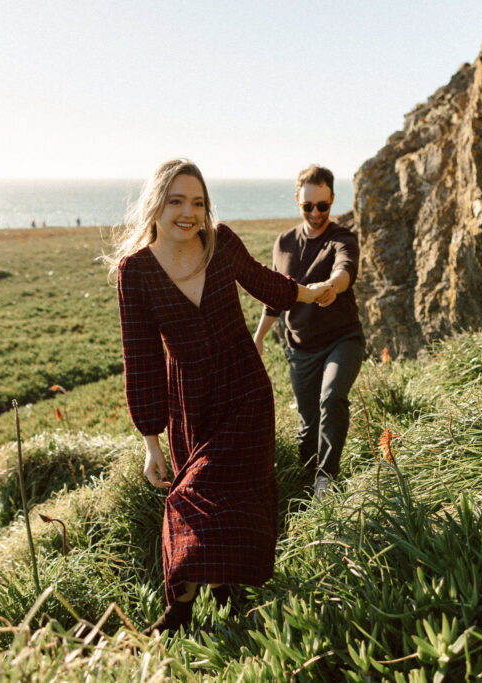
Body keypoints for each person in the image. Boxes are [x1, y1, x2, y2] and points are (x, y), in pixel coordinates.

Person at [111, 159, 330, 634]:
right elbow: (142, 359)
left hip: (244, 391)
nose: (188, 213)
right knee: (210, 497)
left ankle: (178, 611)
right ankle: (225, 598)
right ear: (155, 205)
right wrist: (151, 440)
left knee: (196, 499)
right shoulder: (135, 272)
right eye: (176, 201)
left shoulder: (221, 242)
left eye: (198, 202)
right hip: (189, 405)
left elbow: (265, 283)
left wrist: (314, 294)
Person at [253, 165, 364, 499]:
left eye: (322, 206)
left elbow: (346, 269)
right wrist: (257, 337)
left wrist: (332, 285)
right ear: (297, 202)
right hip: (300, 348)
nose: (315, 213)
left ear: (332, 199)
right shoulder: (284, 243)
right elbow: (275, 298)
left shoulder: (343, 238)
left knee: (331, 398)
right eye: (307, 206)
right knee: (308, 427)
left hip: (342, 340)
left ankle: (326, 482)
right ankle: (304, 490)